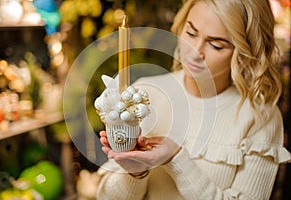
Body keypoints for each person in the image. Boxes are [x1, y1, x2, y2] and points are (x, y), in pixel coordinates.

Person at [96, 0, 291, 199]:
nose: (195, 52)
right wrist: (136, 172)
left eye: (216, 45)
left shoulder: (260, 117)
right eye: (190, 33)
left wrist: (176, 158)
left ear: (245, 52)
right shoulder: (143, 95)